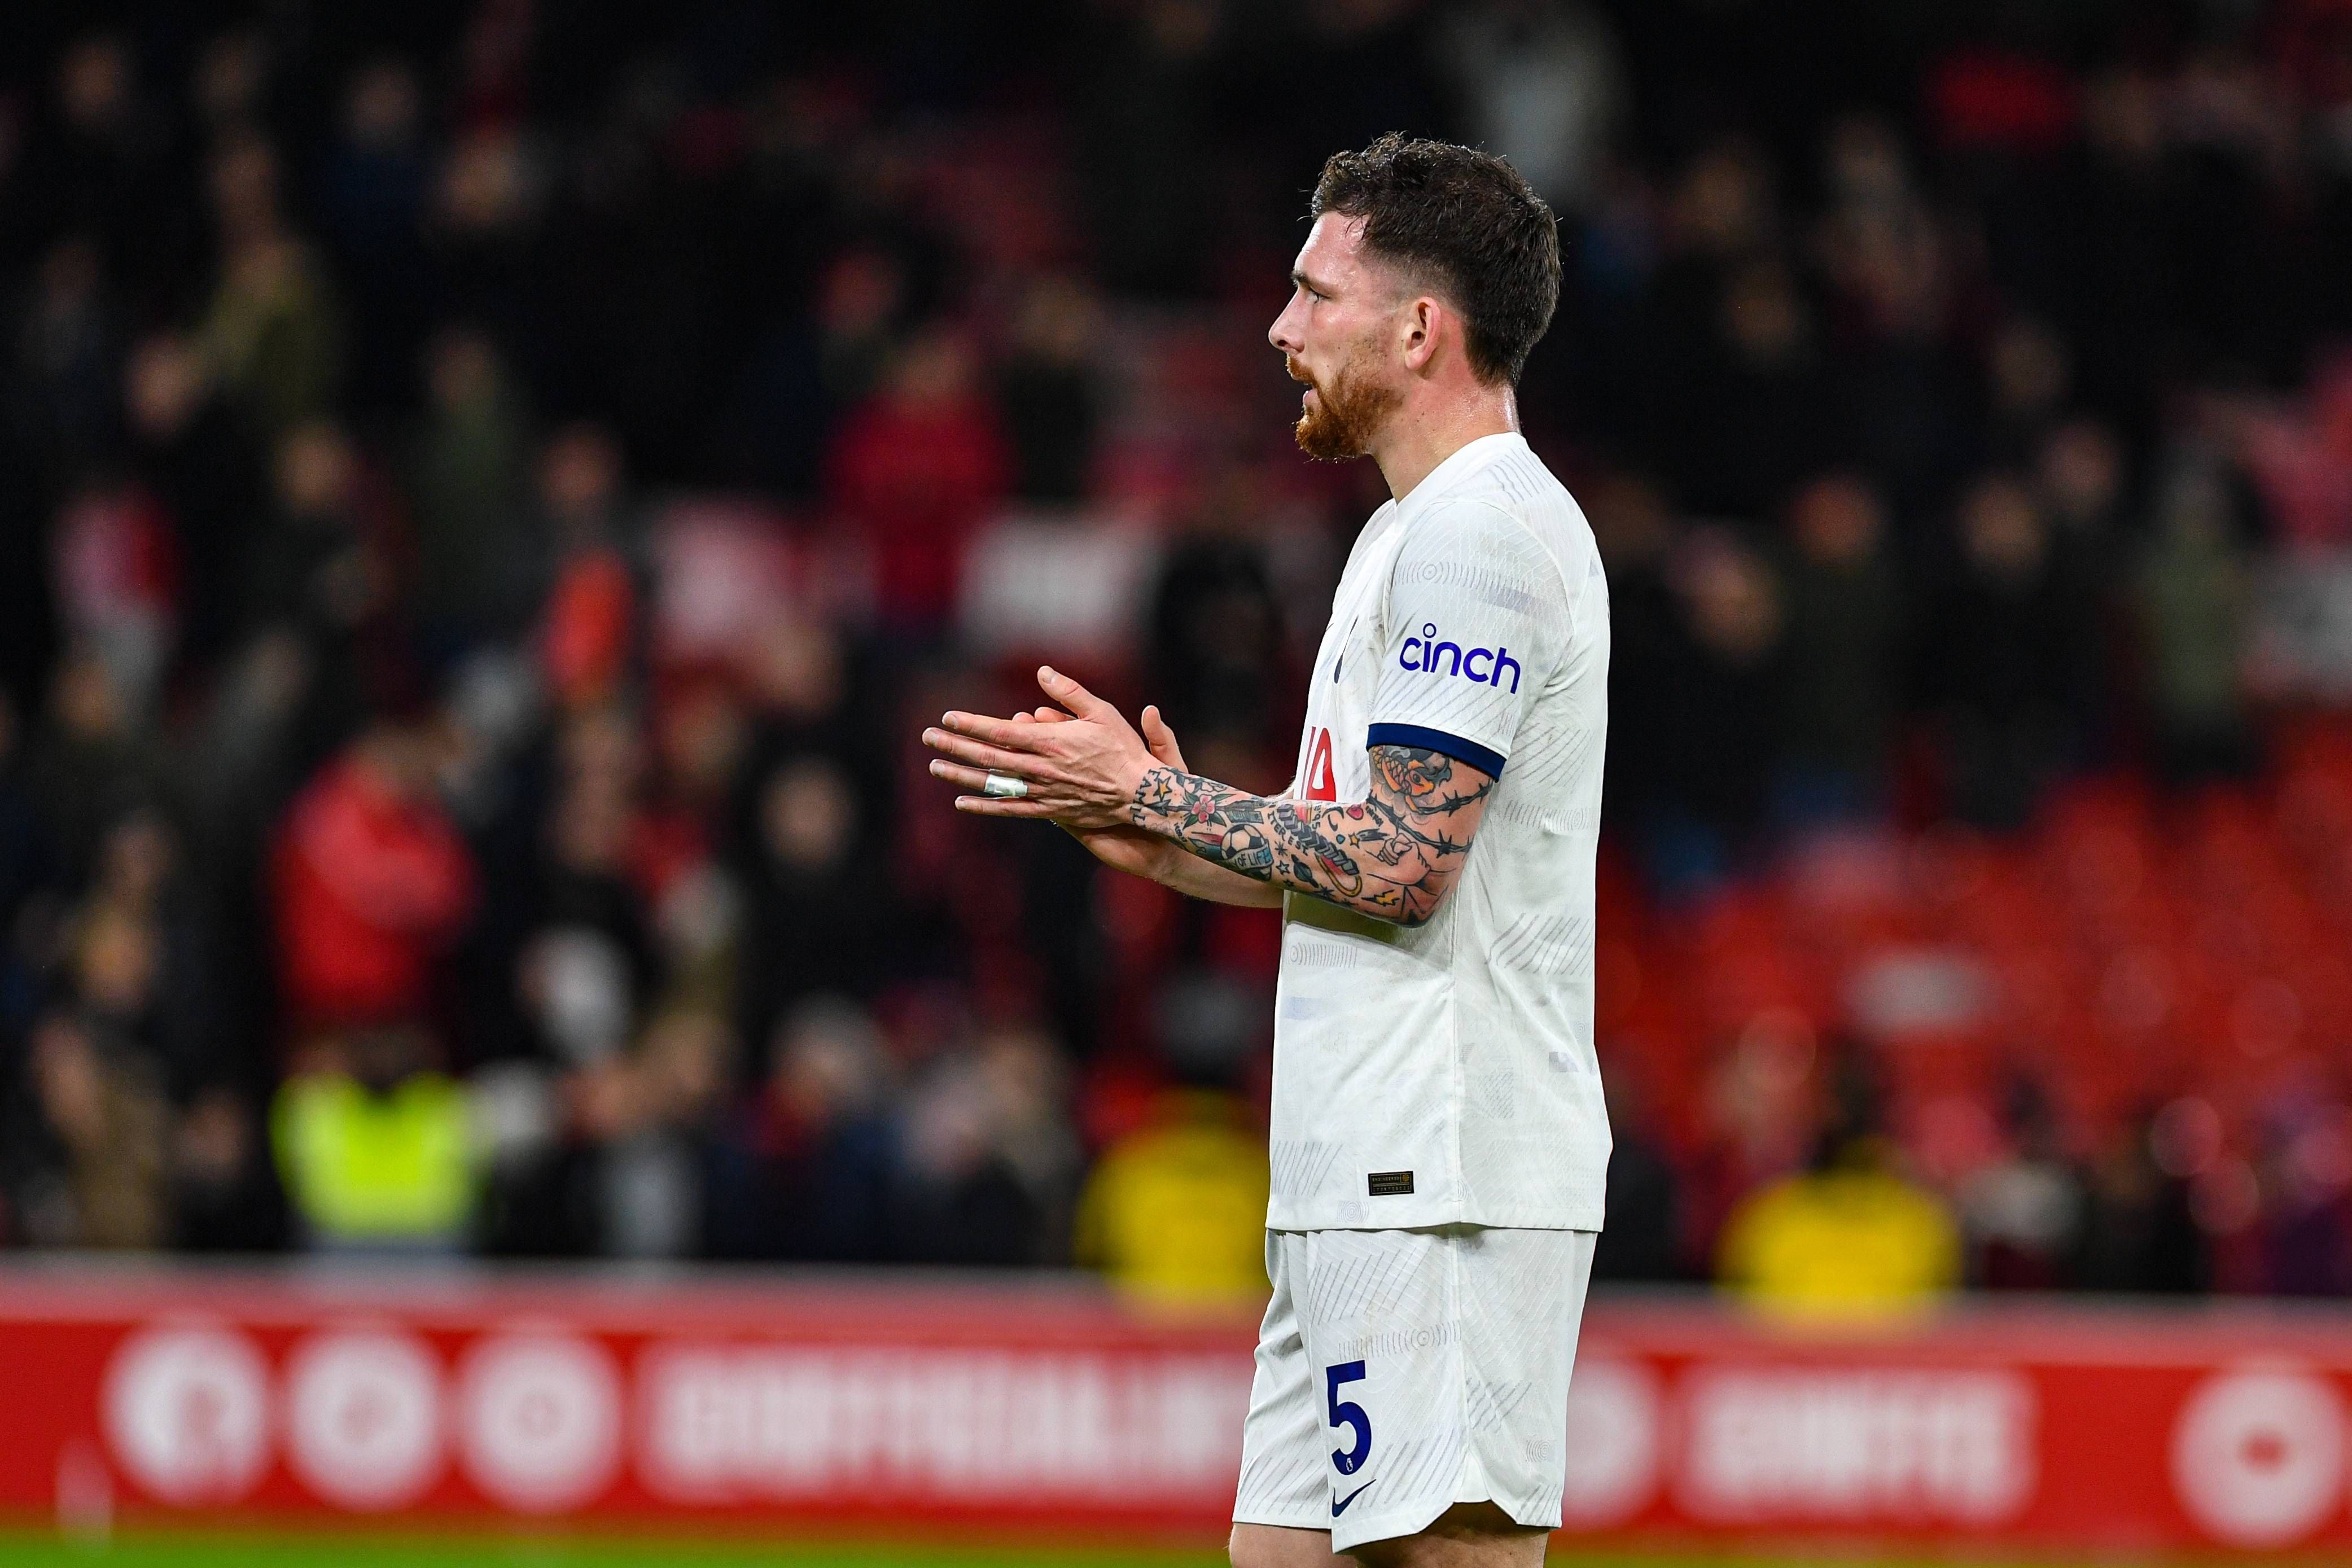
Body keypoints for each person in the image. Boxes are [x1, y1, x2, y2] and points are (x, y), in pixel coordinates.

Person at [924, 134, 1608, 1568]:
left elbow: (1401, 862)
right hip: (1355, 1178)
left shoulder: (1478, 542)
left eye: (1315, 295)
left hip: (1441, 1177)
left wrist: (1160, 795)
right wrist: (1153, 831)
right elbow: (1346, 845)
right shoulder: (1401, 538)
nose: (1281, 329)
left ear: (1417, 330)